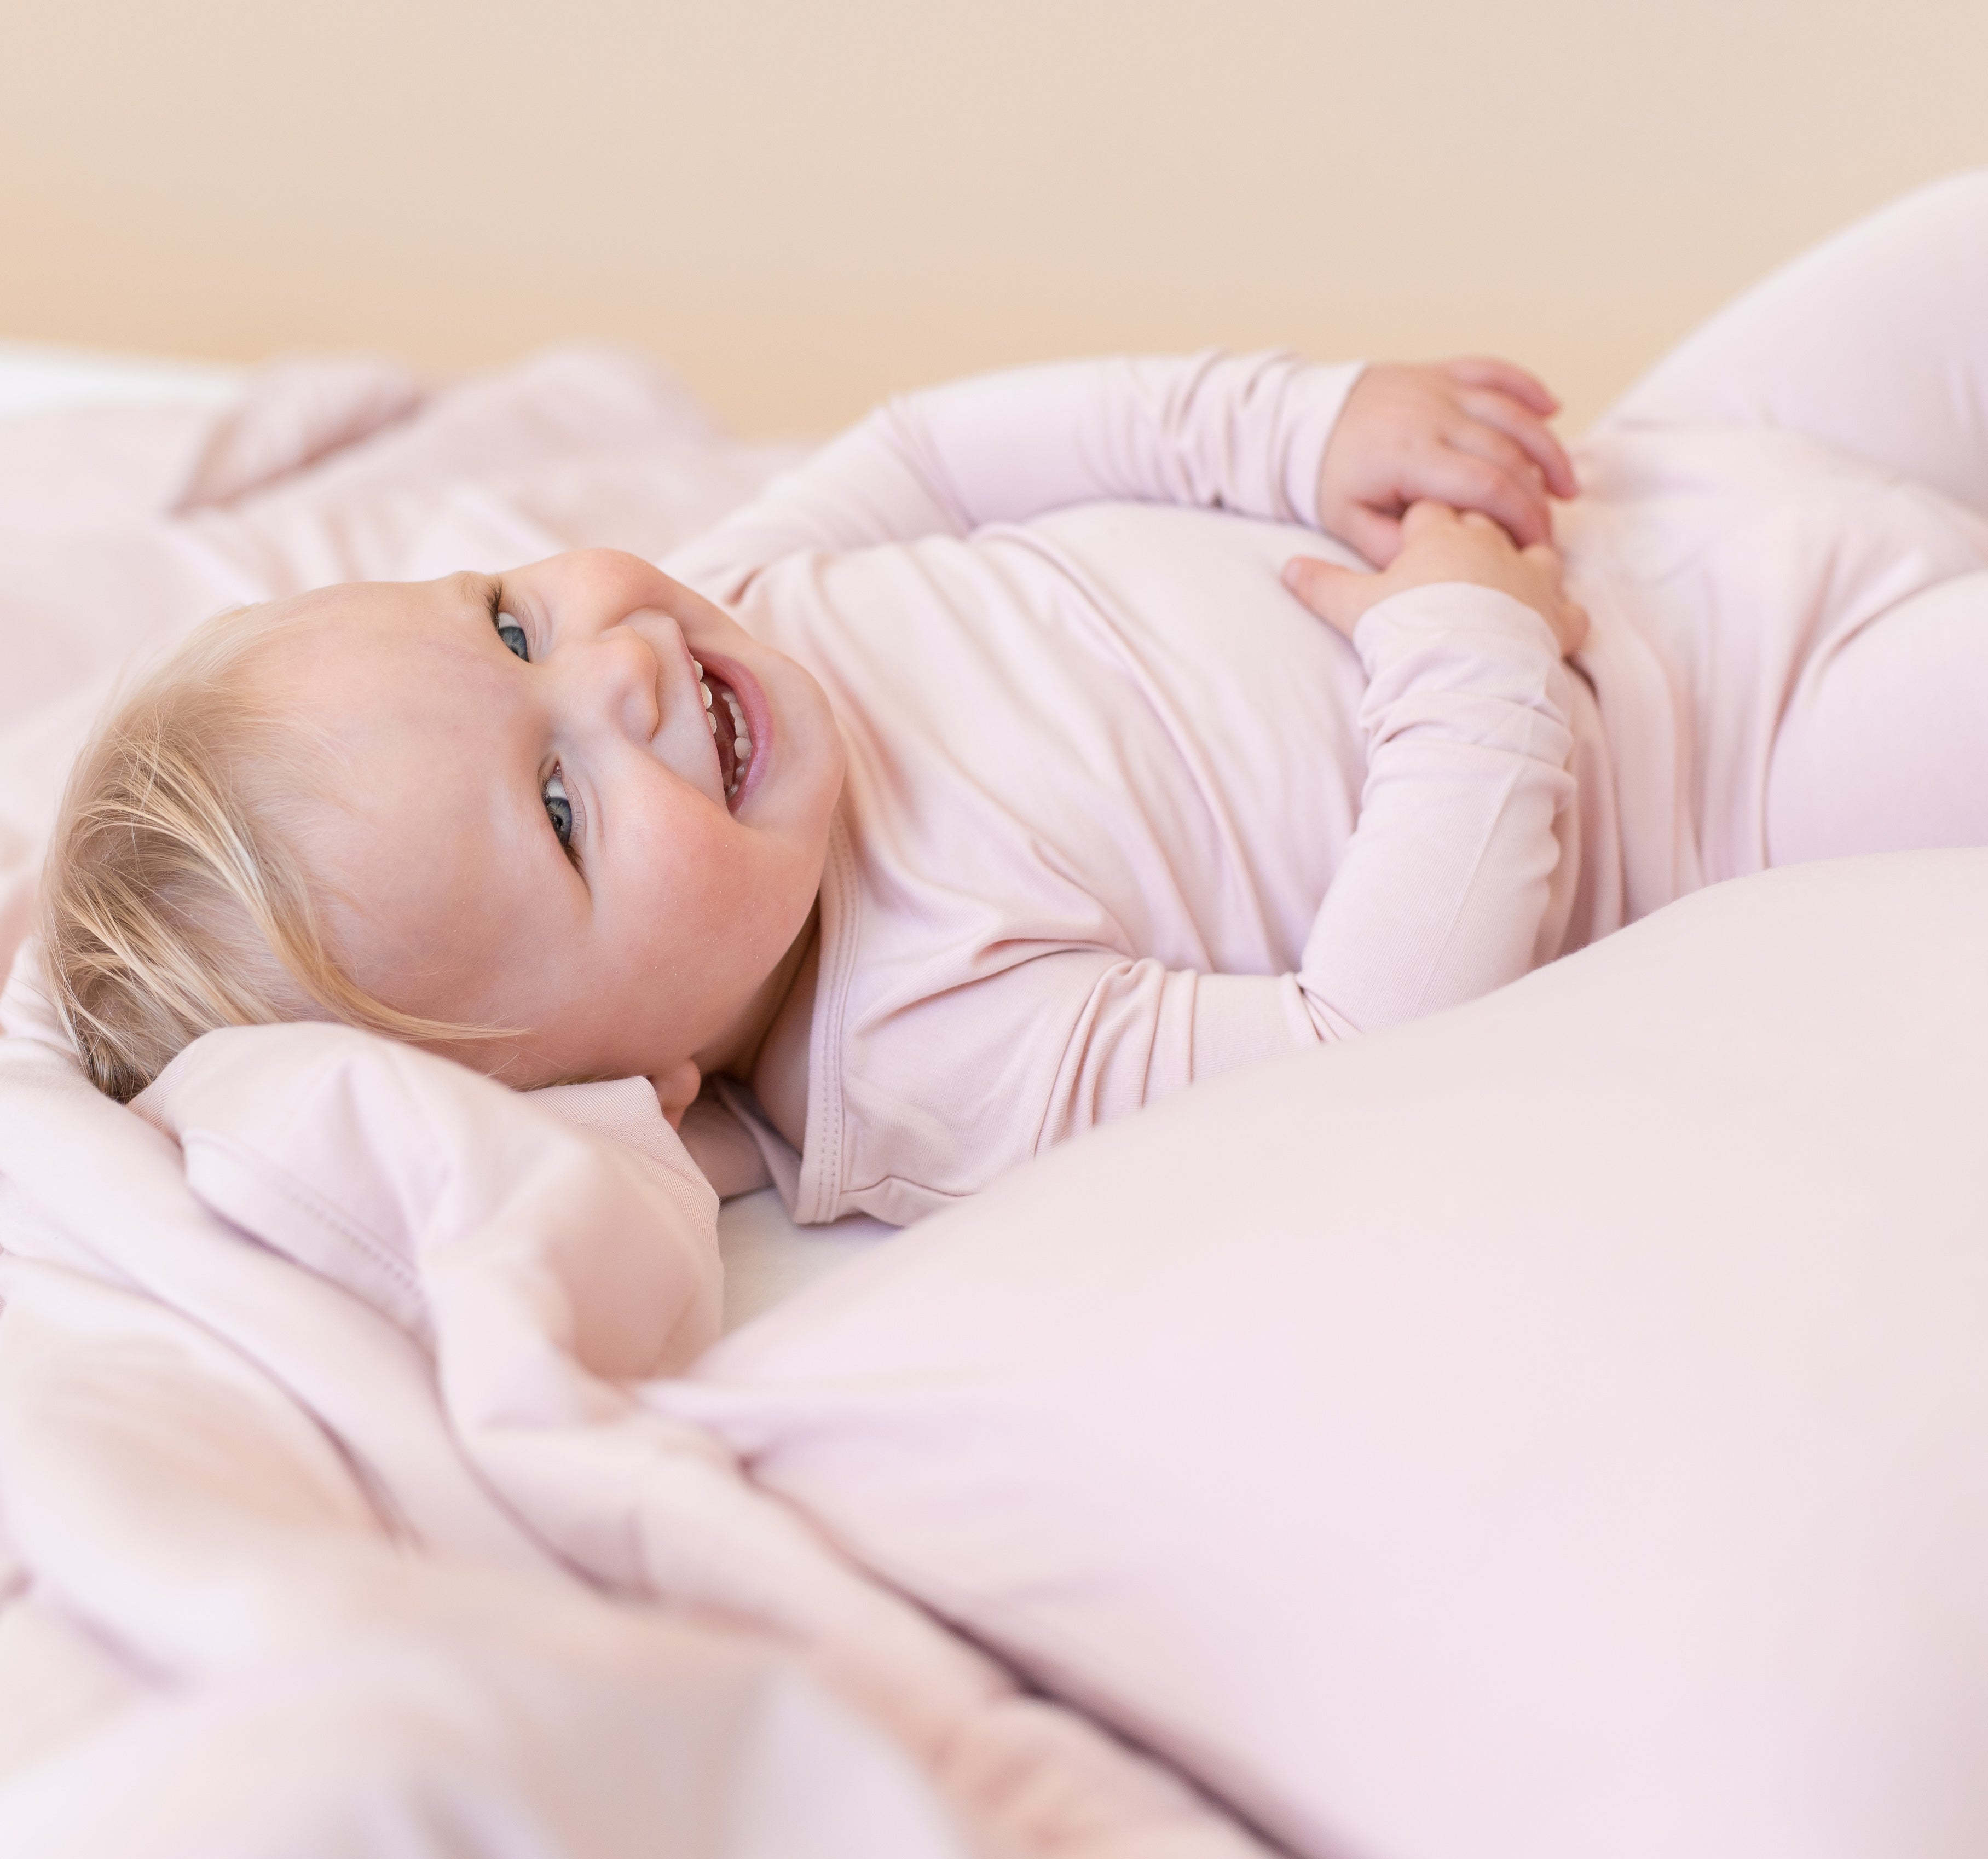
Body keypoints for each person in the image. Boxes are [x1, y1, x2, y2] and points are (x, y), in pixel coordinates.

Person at [41, 172, 1988, 1224]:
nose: (622, 666)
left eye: (505, 622)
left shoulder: (762, 590)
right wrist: (1461, 651)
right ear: (638, 1091)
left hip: (1666, 474)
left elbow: (954, 444)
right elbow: (1376, 1032)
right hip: (1755, 763)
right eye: (560, 812)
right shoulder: (923, 1054)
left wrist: (1306, 427)